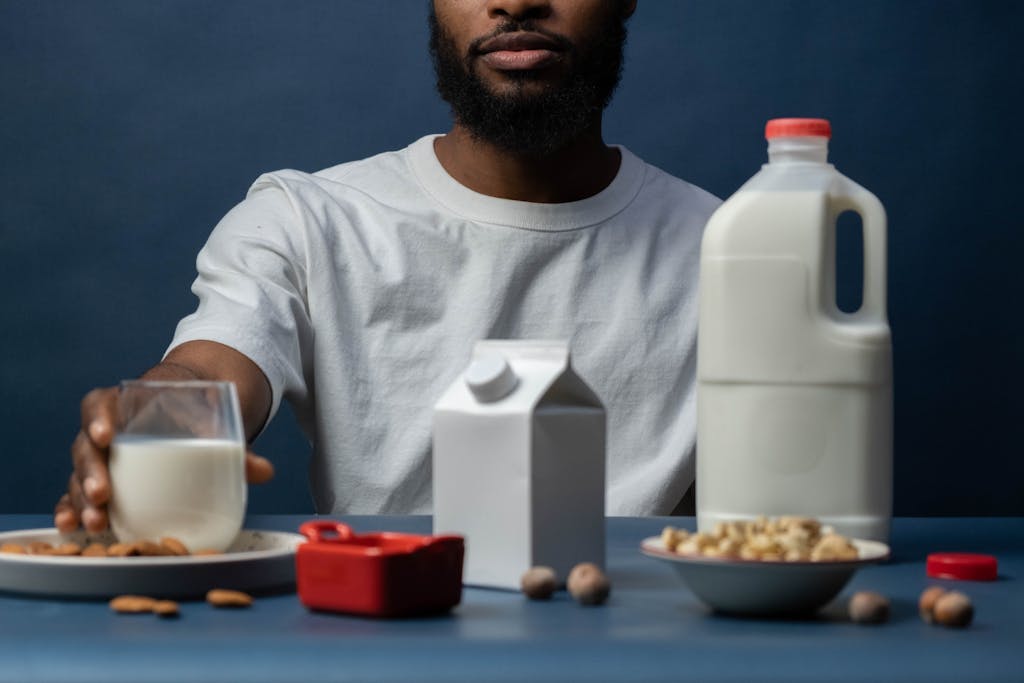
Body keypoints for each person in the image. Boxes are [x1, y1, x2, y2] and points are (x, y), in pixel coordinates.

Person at [54, 0, 719, 534]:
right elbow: (210, 370)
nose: (516, 4)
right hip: (378, 638)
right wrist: (150, 420)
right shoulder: (307, 219)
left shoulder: (727, 253)